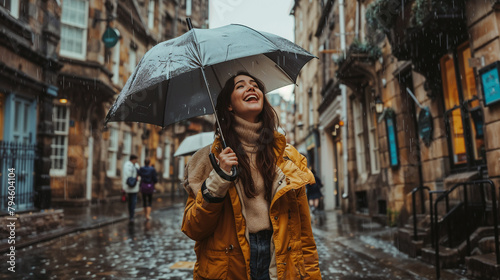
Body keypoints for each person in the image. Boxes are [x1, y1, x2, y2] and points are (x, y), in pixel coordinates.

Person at [181, 72, 322, 279]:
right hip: (231, 266)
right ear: (228, 105)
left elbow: (304, 234)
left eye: (255, 84)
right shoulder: (207, 159)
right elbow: (194, 227)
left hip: (279, 259)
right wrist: (218, 179)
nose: (250, 88)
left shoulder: (287, 156)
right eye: (240, 86)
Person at [122, 154, 140, 222]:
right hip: (128, 186)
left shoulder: (137, 166)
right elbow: (125, 176)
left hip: (134, 187)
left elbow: (138, 174)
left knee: (133, 202)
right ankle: (131, 215)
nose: (136, 161)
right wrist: (123, 187)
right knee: (130, 202)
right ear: (133, 159)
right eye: (136, 159)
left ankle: (131, 215)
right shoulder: (127, 165)